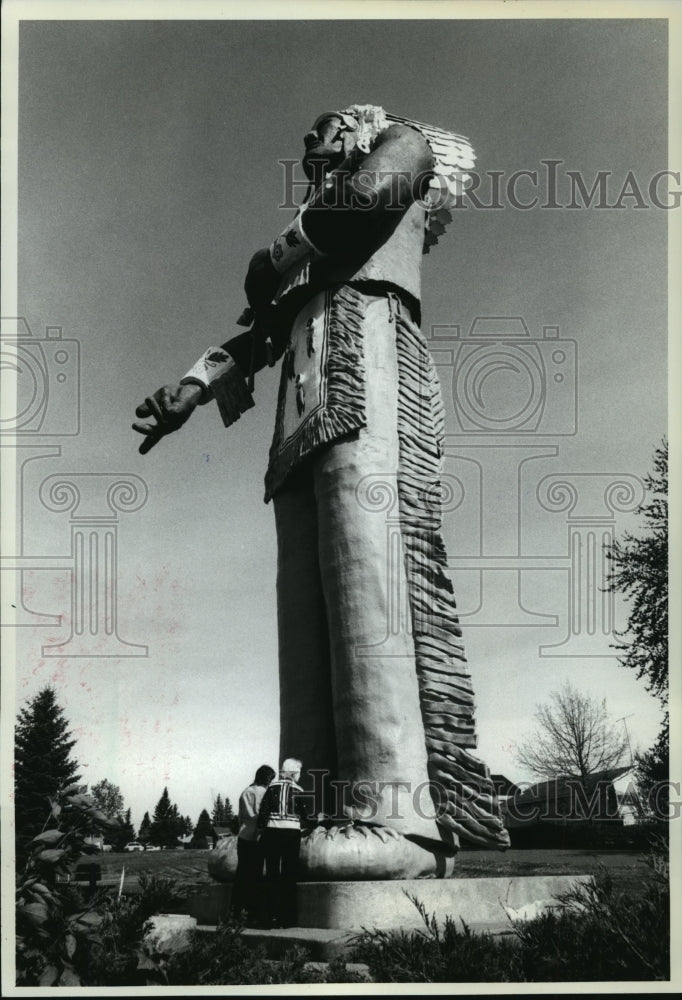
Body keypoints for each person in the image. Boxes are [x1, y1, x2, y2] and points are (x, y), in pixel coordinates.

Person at [133, 104, 509, 862]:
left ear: (360, 130)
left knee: (368, 567)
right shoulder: (306, 235)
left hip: (370, 363)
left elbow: (364, 204)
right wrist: (193, 386)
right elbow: (264, 332)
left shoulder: (404, 147)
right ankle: (302, 815)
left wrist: (275, 253)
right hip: (300, 411)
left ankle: (398, 816)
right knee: (302, 600)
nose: (308, 139)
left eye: (324, 126)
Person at [257, 758, 308, 928]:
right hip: (292, 834)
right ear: (294, 773)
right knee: (289, 873)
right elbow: (307, 816)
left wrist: (260, 830)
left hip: (271, 833)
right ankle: (286, 919)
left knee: (272, 873)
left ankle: (267, 918)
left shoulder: (271, 787)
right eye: (299, 772)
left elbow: (263, 813)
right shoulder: (299, 790)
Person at [231, 764, 275, 924]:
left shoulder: (245, 791)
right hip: (258, 835)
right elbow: (265, 816)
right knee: (256, 876)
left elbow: (240, 817)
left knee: (241, 874)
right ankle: (252, 913)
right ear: (268, 779)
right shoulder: (265, 792)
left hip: (243, 835)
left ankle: (236, 912)